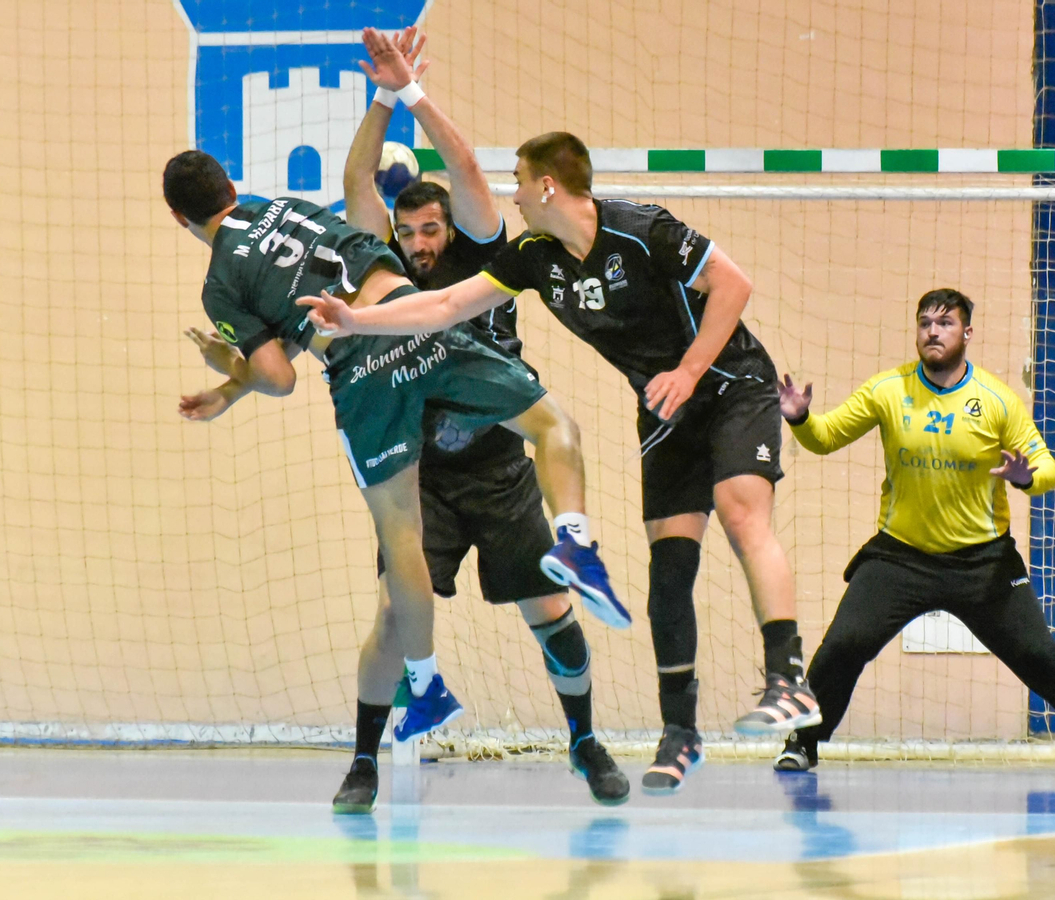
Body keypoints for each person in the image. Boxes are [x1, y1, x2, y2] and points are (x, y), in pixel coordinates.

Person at [298, 132, 820, 796]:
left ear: (546, 185)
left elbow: (733, 283)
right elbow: (439, 299)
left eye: (519, 180)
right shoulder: (525, 258)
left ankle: (775, 682)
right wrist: (354, 321)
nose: (513, 194)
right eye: (409, 232)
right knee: (667, 569)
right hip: (636, 415)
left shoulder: (619, 232)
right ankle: (679, 732)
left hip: (704, 392)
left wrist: (690, 371)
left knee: (732, 519)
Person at [167, 134, 626, 809]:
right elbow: (306, 291)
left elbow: (279, 369)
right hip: (426, 456)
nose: (418, 240)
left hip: (489, 466)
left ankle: (571, 735)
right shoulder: (313, 223)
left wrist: (234, 374)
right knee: (390, 613)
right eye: (405, 230)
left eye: (429, 228)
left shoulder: (477, 255)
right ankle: (365, 760)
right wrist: (396, 94)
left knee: (546, 610)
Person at [768, 289, 1055, 778]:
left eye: (945, 323)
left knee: (1041, 657)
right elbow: (826, 438)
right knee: (843, 645)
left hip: (982, 563)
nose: (933, 331)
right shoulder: (888, 389)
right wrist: (800, 418)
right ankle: (802, 743)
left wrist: (1025, 477)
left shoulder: (996, 400)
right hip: (900, 556)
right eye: (925, 322)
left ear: (967, 333)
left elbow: (1047, 469)